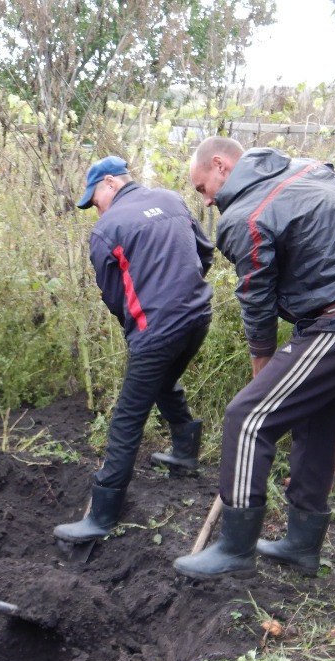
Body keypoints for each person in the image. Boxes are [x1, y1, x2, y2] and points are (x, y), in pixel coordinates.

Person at [174, 137, 335, 580]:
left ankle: (234, 549)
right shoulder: (308, 168)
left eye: (203, 188)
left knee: (248, 416)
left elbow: (256, 298)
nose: (205, 201)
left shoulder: (245, 216)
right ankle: (301, 543)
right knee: (318, 422)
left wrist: (261, 362)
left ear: (220, 166)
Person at [53, 155, 215, 544]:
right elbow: (205, 253)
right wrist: (180, 292)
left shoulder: (108, 229)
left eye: (94, 200)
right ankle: (185, 452)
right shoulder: (173, 201)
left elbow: (113, 296)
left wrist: (142, 321)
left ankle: (102, 516)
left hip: (156, 329)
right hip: (198, 317)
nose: (96, 209)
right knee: (165, 380)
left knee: (127, 419)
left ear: (110, 183)